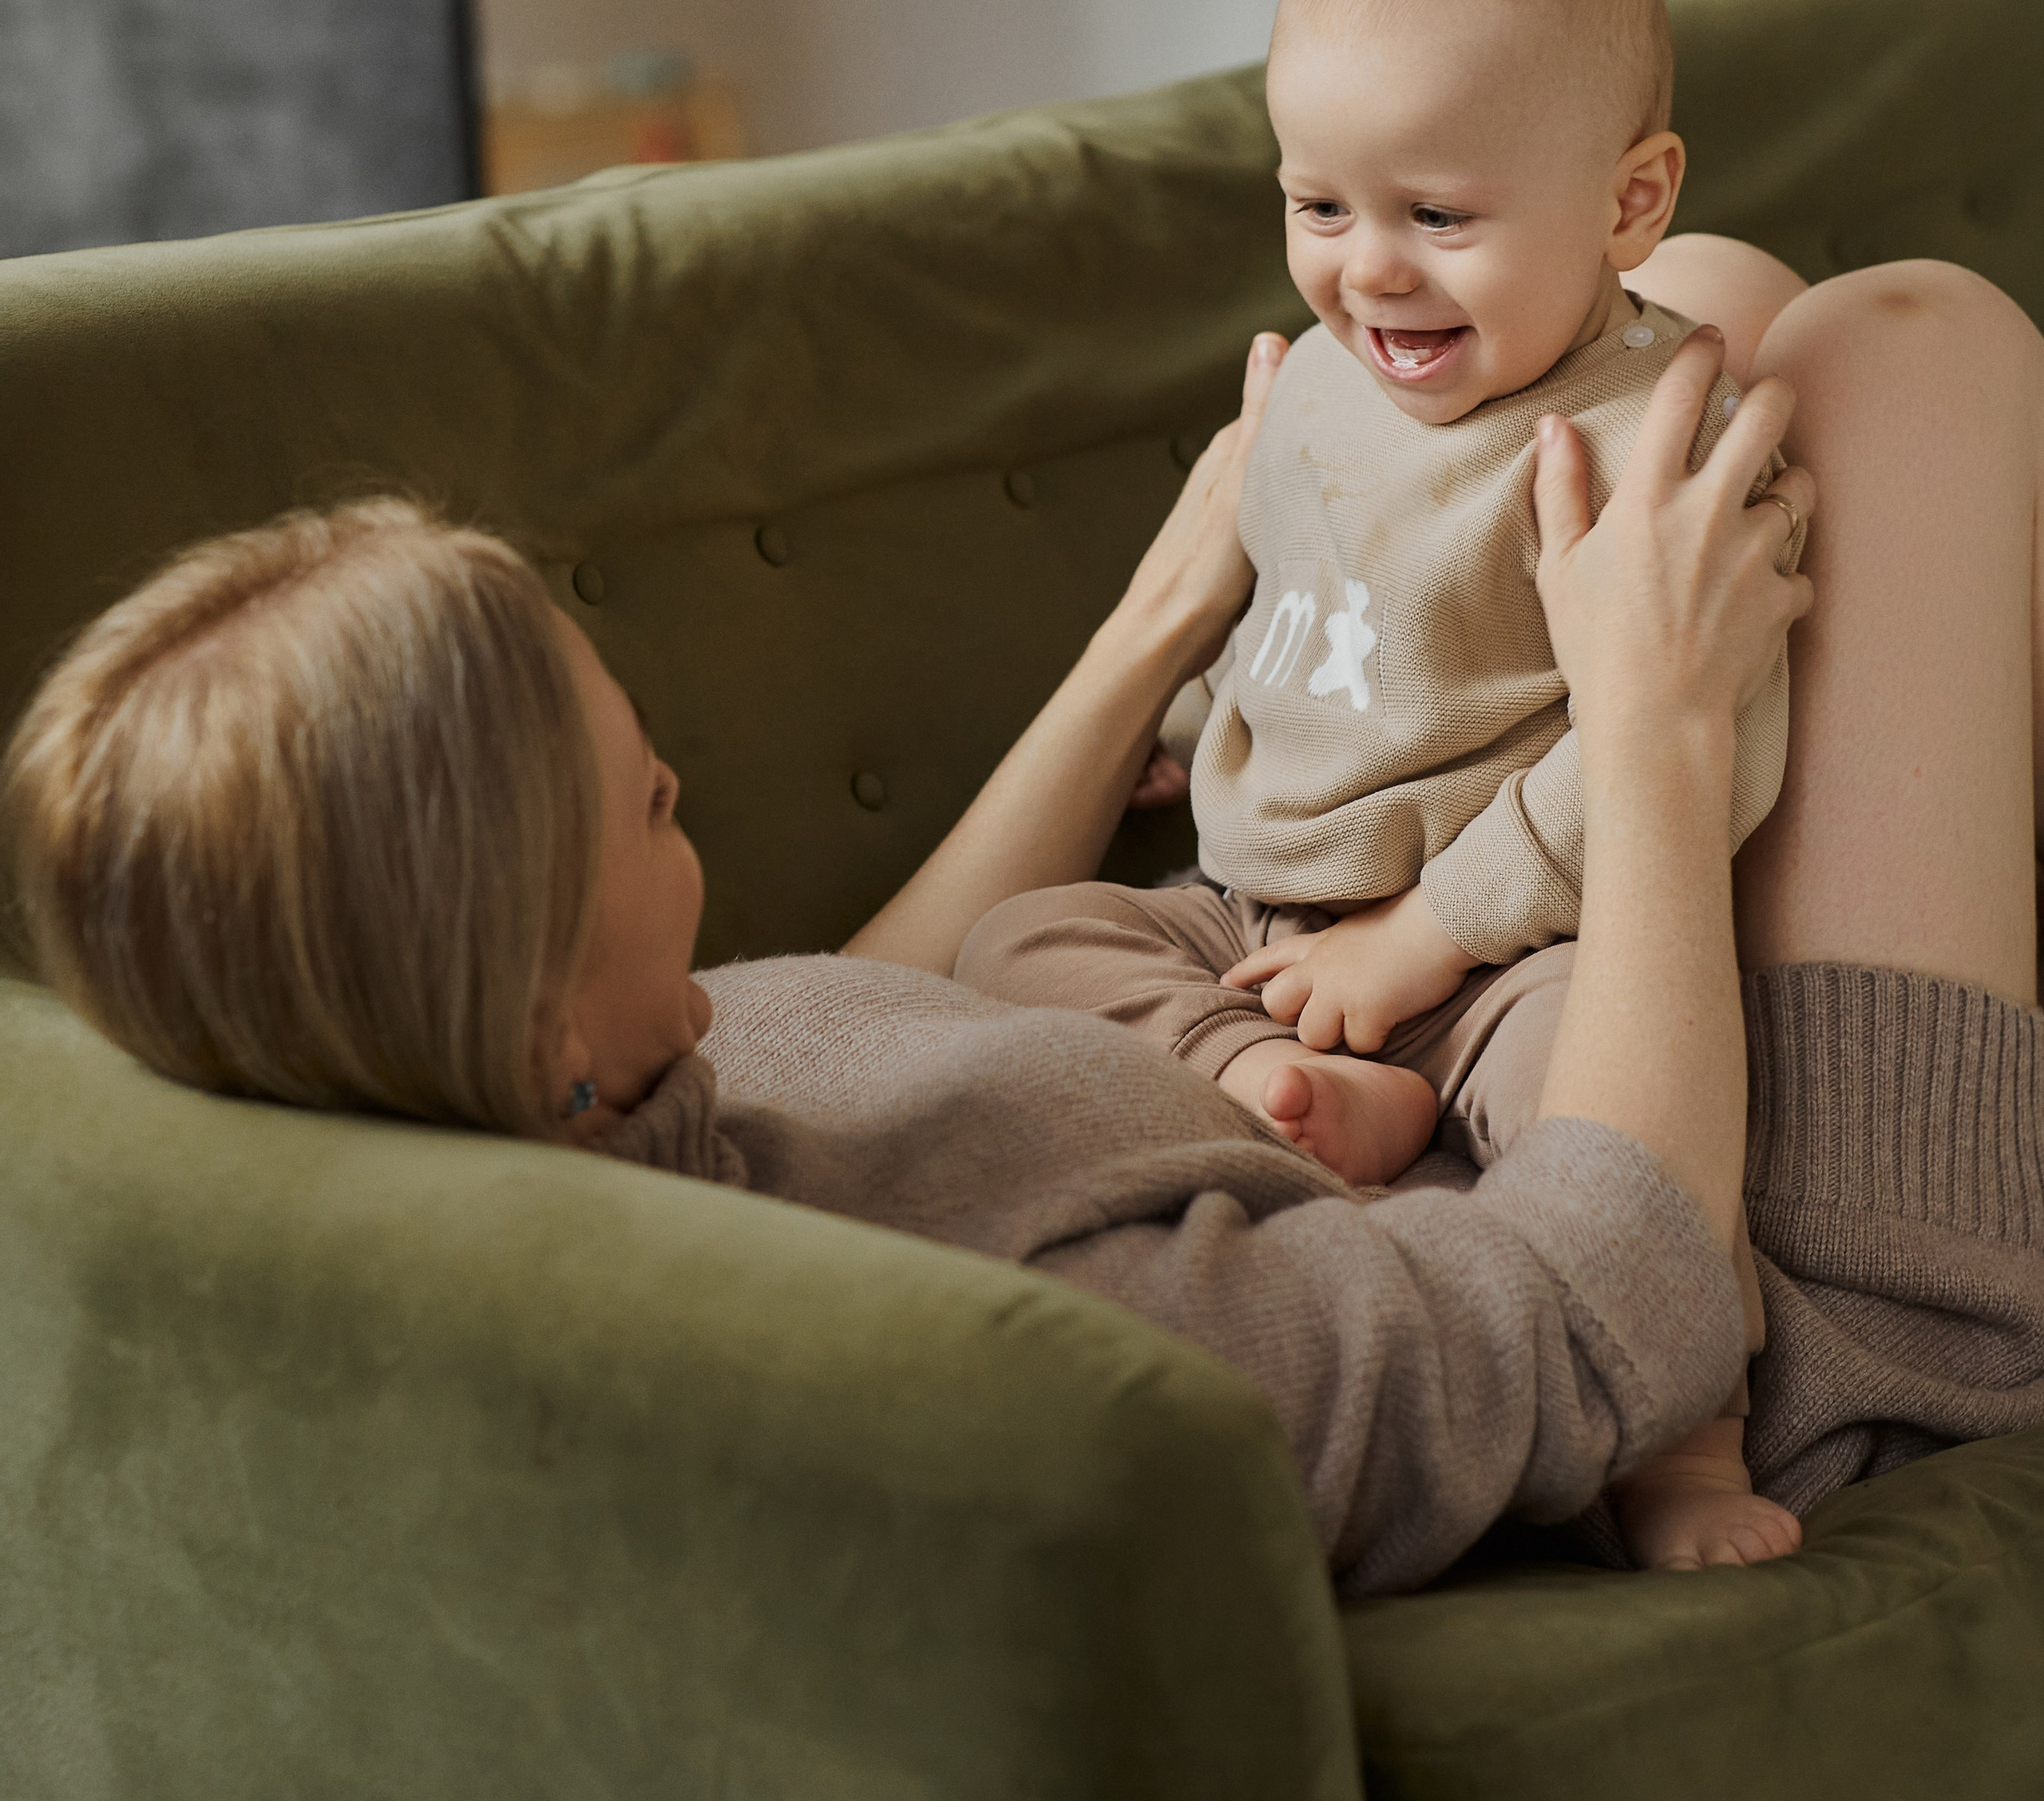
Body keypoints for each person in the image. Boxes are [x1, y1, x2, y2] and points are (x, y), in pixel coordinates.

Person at [6, 273, 2042, 1585]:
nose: (675, 776)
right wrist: (1645, 743)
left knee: (1667, 308)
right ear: (531, 1008)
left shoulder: (561, 1113)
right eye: (637, 798)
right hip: (1749, 1302)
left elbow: (845, 1006)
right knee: (1909, 357)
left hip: (1384, 1032)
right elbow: (1605, 1307)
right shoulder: (1038, 1369)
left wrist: (1169, 601)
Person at [954, 0, 1801, 1567]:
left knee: (1612, 1108)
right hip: (1252, 918)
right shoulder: (1321, 392)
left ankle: (1686, 1450)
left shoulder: (1650, 442)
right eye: (1316, 208)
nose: (1370, 272)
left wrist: (1423, 940)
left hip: (1506, 949)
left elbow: (1681, 760)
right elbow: (1302, 617)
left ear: (1630, 203)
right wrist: (1192, 729)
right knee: (1013, 947)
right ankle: (1284, 1086)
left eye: (1437, 215)